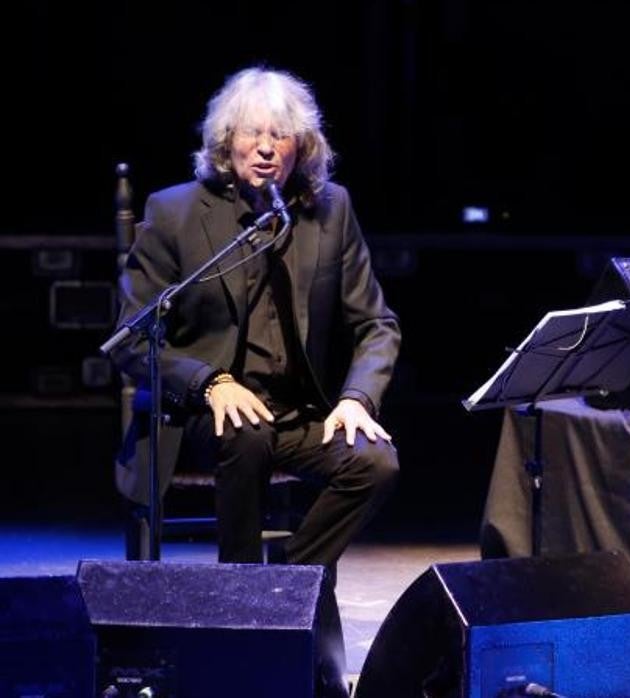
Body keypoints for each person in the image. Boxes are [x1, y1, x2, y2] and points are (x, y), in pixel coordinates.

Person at [112, 66, 401, 697]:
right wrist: (210, 383)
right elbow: (132, 337)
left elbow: (377, 322)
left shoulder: (331, 211)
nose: (266, 146)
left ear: (302, 148)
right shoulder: (175, 213)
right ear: (226, 141)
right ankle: (239, 606)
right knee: (243, 434)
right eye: (251, 133)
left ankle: (283, 586)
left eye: (281, 135)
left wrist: (356, 397)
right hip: (199, 418)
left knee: (376, 464)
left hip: (299, 413)